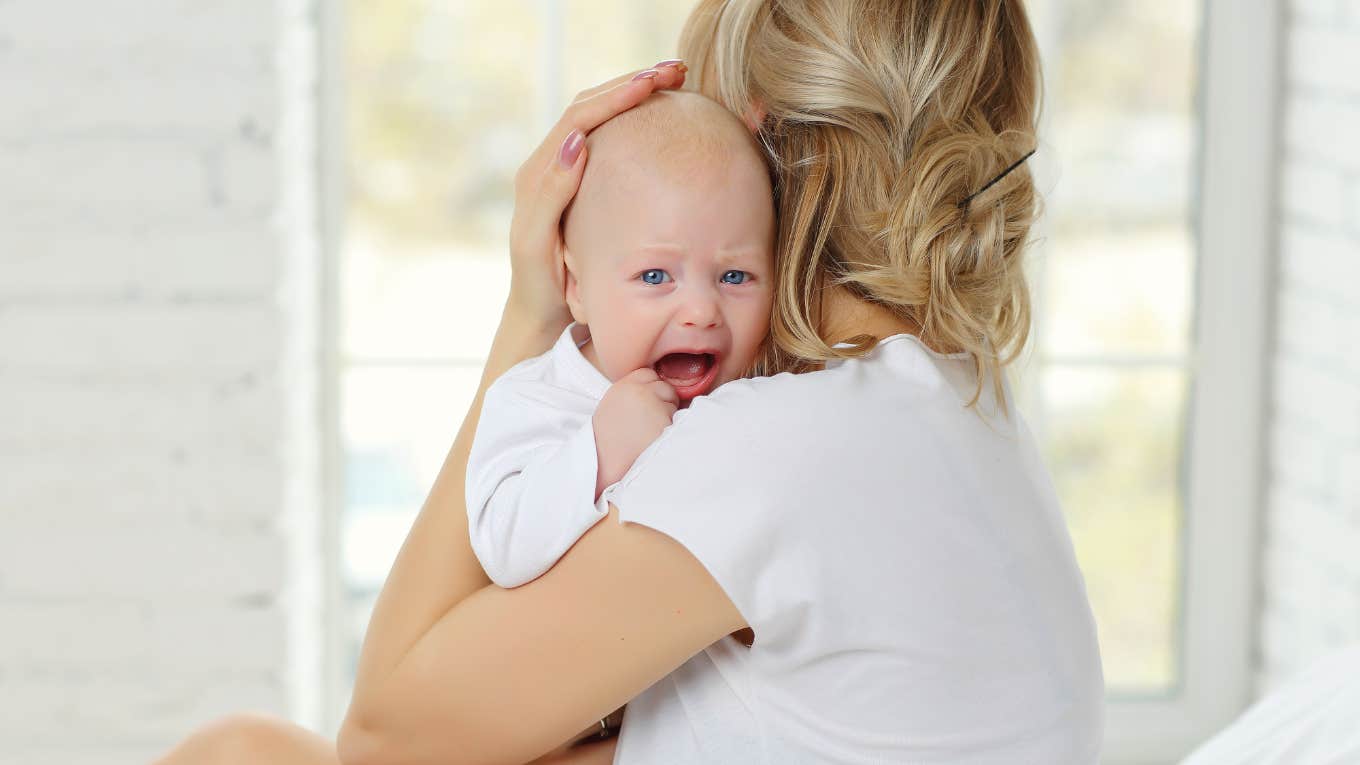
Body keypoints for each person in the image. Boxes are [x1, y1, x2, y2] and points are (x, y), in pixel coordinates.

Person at [152, 1, 1105, 763]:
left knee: (234, 753)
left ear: (763, 139)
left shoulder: (787, 443)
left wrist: (534, 307)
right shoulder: (946, 395)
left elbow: (383, 736)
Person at [466, 90, 776, 592]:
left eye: (736, 276)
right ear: (576, 287)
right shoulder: (536, 398)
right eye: (655, 276)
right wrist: (600, 449)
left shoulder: (761, 390)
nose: (701, 312)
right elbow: (501, 547)